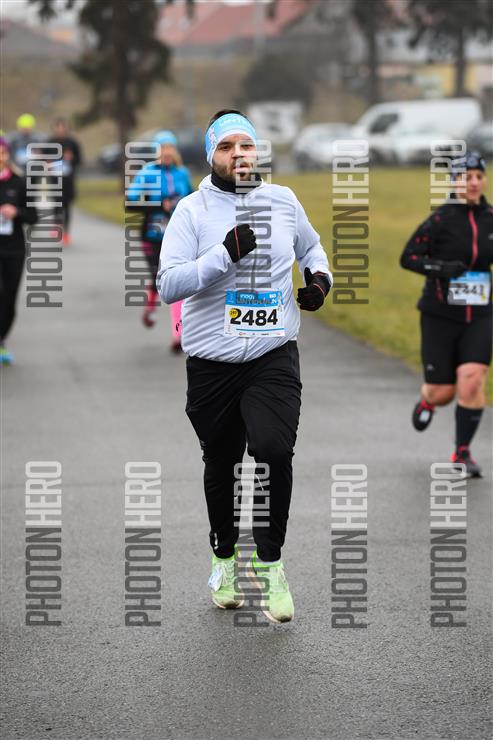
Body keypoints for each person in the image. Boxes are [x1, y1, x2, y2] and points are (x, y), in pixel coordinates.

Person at [156, 109, 332, 623]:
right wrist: (222, 255)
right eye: (227, 146)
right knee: (223, 462)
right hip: (212, 364)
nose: (239, 154)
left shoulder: (284, 200)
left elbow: (312, 247)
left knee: (274, 449)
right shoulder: (192, 211)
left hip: (272, 354)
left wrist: (319, 281)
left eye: (247, 145)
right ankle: (224, 557)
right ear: (211, 155)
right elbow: (168, 283)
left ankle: (270, 564)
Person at [400, 151, 493, 477]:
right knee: (444, 391)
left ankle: (462, 452)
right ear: (455, 182)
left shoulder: (491, 218)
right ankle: (427, 400)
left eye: (478, 176)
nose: (473, 183)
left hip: (480, 314)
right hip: (440, 314)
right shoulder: (440, 220)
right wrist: (441, 268)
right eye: (466, 177)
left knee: (472, 379)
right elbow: (408, 258)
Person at [127, 130, 193, 350]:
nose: (167, 151)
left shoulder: (182, 172)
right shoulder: (147, 173)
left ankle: (178, 335)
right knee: (158, 277)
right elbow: (130, 202)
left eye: (170, 147)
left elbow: (193, 199)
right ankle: (150, 306)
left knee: (177, 280)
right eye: (162, 147)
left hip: (178, 235)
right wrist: (158, 205)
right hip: (152, 235)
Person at [0, 137, 37, 364]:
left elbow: (33, 216)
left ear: (8, 155)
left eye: (2, 153)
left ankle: (1, 339)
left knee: (9, 298)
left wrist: (16, 213)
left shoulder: (19, 182)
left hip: (14, 249)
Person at [48, 119, 82, 246]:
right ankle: (57, 226)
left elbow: (79, 160)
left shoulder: (72, 143)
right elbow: (43, 159)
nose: (61, 130)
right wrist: (48, 163)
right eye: (58, 127)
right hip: (55, 179)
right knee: (57, 203)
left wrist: (71, 158)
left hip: (68, 180)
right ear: (55, 129)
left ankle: (66, 232)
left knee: (67, 206)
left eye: (63, 127)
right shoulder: (50, 142)